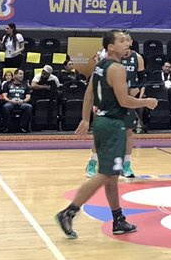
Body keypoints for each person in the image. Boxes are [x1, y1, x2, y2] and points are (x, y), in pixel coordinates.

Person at [55, 29, 158, 239]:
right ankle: (69, 211)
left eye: (127, 40)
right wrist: (146, 102)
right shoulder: (117, 68)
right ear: (110, 47)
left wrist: (85, 119)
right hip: (113, 124)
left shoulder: (100, 66)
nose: (127, 44)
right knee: (104, 174)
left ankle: (118, 219)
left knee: (111, 176)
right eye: (122, 41)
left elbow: (88, 94)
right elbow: (124, 101)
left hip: (101, 121)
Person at [121, 42, 146, 177]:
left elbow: (143, 79)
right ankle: (98, 161)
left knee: (128, 132)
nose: (125, 43)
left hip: (128, 98)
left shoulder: (137, 57)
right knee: (109, 132)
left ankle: (126, 165)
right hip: (112, 97)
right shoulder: (112, 57)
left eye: (127, 40)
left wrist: (137, 89)